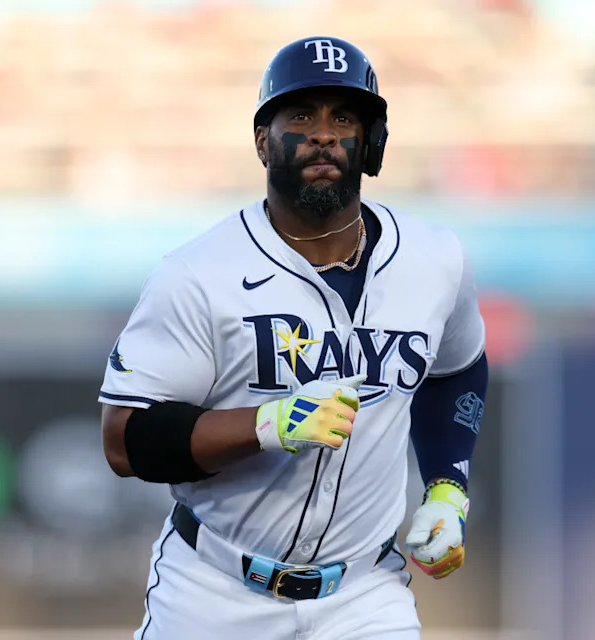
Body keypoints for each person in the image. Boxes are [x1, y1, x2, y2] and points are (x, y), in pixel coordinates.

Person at [99, 36, 488, 640]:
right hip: (217, 588)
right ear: (262, 141)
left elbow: (457, 369)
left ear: (373, 141)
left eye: (344, 117)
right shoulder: (198, 274)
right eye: (301, 115)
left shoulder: (434, 260)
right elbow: (124, 442)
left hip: (363, 594)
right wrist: (265, 426)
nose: (324, 133)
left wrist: (446, 489)